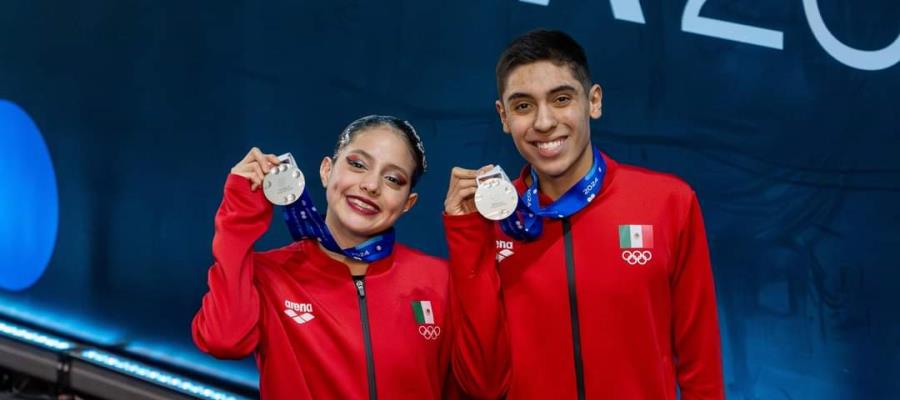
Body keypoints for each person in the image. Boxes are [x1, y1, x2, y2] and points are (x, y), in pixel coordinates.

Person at [444, 30, 725, 399]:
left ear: (593, 101)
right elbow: (483, 383)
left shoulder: (668, 202)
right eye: (523, 106)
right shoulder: (492, 218)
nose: (543, 122)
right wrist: (466, 234)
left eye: (561, 99)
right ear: (503, 116)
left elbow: (700, 363)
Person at [192, 115, 458, 399]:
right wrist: (238, 216)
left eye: (393, 179)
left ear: (408, 203)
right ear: (326, 171)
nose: (371, 185)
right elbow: (224, 340)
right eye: (357, 164)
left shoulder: (439, 280)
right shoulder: (270, 275)